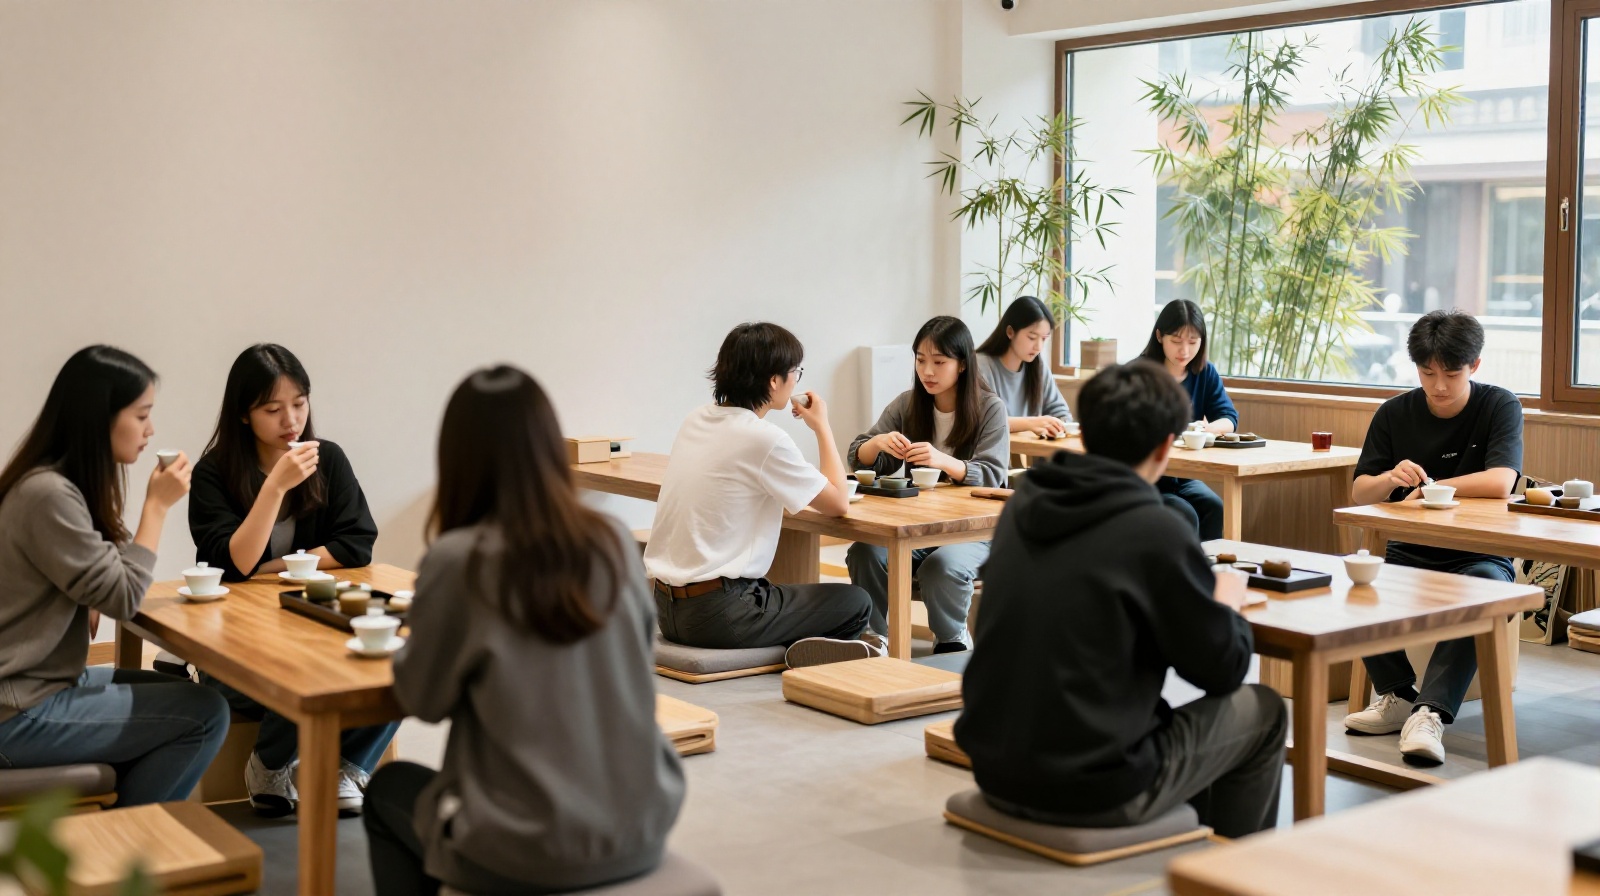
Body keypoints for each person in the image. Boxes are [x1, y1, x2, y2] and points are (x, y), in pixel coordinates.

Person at [364, 366, 684, 896]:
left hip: (526, 847)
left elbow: (423, 698)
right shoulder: (610, 543)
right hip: (643, 824)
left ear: (457, 457)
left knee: (387, 792)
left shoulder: (459, 559)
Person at [955, 360, 1286, 838]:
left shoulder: (1024, 505)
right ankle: (1229, 877)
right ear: (1166, 446)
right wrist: (1223, 600)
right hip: (1092, 787)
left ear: (1086, 433)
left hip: (994, 769)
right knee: (1265, 711)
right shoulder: (1156, 529)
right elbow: (1222, 670)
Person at [0, 346, 230, 806]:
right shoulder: (48, 494)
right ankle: (129, 848)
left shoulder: (53, 484)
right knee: (206, 713)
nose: (151, 430)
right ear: (100, 417)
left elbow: (98, 583)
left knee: (187, 696)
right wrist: (157, 506)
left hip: (42, 686)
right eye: (142, 415)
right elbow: (124, 598)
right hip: (19, 710)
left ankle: (118, 834)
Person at [189, 343, 393, 817]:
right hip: (233, 648)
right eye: (272, 408)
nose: (291, 420)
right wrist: (275, 486)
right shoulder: (213, 473)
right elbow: (236, 562)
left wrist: (274, 568)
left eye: (299, 403)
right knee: (296, 663)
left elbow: (356, 543)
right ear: (243, 415)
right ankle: (270, 765)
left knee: (395, 655)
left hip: (304, 619)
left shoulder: (329, 460)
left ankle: (348, 767)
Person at [1343, 310, 1523, 766]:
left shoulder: (1499, 405)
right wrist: (1388, 478)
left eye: (1451, 373)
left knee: (1486, 590)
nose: (1439, 385)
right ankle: (1398, 695)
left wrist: (1429, 489)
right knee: (1359, 588)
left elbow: (1503, 480)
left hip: (1479, 550)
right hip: (1409, 550)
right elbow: (1361, 491)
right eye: (1428, 373)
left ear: (1475, 366)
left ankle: (1430, 713)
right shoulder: (1394, 413)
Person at [643, 322, 877, 668]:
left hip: (667, 609)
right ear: (773, 381)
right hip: (720, 615)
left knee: (781, 590)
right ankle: (841, 653)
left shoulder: (695, 420)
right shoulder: (764, 439)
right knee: (856, 601)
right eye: (795, 371)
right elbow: (838, 503)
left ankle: (814, 643)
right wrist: (822, 426)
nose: (796, 379)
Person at [846, 316, 1009, 654]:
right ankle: (874, 639)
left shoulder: (990, 409)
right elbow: (856, 454)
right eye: (921, 360)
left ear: (962, 365)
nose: (928, 371)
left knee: (942, 565)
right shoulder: (908, 404)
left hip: (974, 531)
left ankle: (951, 639)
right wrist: (877, 444)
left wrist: (944, 461)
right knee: (865, 551)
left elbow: (994, 474)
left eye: (939, 361)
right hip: (920, 526)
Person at [1139, 299, 1237, 539]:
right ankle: (1180, 575)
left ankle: (1205, 574)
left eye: (1193, 342)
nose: (1184, 351)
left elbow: (1229, 417)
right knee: (1184, 513)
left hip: (1181, 475)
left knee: (1215, 508)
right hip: (1145, 476)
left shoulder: (1204, 372)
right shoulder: (1140, 374)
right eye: (1176, 341)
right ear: (1160, 336)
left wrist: (1206, 430)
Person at [974, 296, 1075, 438]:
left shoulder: (1038, 367)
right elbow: (980, 422)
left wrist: (1057, 427)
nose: (1038, 346)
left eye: (1044, 338)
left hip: (1029, 454)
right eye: (1032, 337)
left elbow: (1061, 413)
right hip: (990, 457)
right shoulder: (980, 366)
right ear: (1010, 332)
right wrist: (1032, 423)